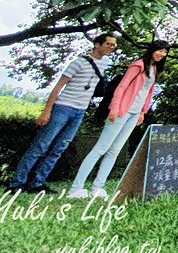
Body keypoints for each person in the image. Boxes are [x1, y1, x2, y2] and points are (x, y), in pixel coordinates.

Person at [6, 33, 118, 194]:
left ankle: (37, 183)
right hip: (63, 107)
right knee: (41, 145)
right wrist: (47, 111)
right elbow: (58, 87)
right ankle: (17, 183)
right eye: (108, 44)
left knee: (59, 148)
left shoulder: (104, 63)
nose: (112, 47)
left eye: (114, 45)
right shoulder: (78, 63)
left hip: (80, 111)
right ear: (97, 44)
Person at [67, 40, 168, 199]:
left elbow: (148, 92)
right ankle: (75, 189)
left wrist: (143, 112)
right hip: (122, 111)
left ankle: (98, 187)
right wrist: (114, 108)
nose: (162, 54)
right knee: (100, 149)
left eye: (165, 52)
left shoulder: (154, 69)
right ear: (152, 50)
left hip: (134, 114)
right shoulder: (138, 65)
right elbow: (121, 87)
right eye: (160, 50)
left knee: (114, 151)